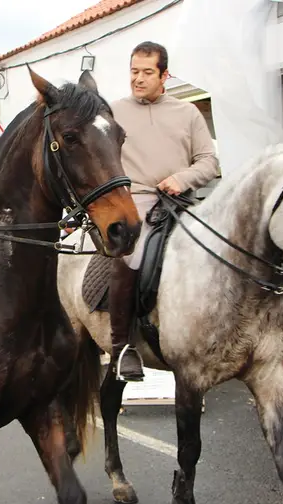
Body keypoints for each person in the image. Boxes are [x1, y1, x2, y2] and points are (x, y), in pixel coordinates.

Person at [106, 41, 219, 381]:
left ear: (164, 75)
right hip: (136, 198)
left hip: (181, 199)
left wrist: (183, 178)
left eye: (146, 72)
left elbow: (209, 162)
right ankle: (121, 347)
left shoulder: (188, 113)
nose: (137, 79)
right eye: (133, 71)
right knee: (132, 255)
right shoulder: (113, 112)